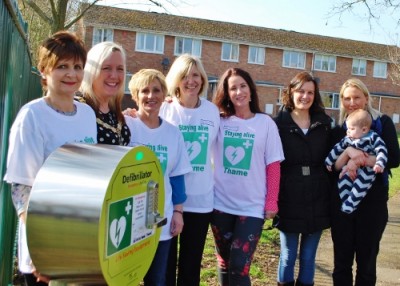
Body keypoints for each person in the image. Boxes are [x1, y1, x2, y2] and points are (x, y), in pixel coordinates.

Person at [3, 31, 97, 286]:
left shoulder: (87, 114)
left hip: (80, 241)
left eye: (78, 67)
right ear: (44, 71)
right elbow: (22, 188)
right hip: (46, 248)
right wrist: (41, 249)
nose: (72, 74)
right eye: (62, 66)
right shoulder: (32, 116)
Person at [212, 67, 284, 285]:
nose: (238, 92)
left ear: (251, 91)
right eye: (233, 88)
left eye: (243, 86)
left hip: (252, 207)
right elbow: (190, 119)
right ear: (227, 93)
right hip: (220, 204)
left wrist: (271, 201)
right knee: (224, 263)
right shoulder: (218, 121)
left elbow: (273, 164)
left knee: (239, 266)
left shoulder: (265, 123)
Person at [330, 78, 400, 286]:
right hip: (342, 205)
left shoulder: (382, 124)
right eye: (347, 98)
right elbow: (332, 167)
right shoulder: (339, 129)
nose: (352, 103)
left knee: (366, 264)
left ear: (366, 98)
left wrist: (359, 160)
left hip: (373, 203)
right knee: (341, 263)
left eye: (357, 97)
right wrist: (348, 154)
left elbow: (394, 159)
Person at [126, 69, 192, 285]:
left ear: (164, 95)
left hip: (158, 220)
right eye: (144, 90)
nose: (150, 96)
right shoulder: (126, 126)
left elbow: (176, 176)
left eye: (156, 90)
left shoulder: (173, 133)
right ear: (135, 95)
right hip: (127, 219)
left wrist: (178, 212)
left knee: (157, 279)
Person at [161, 54, 220, 286]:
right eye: (184, 76)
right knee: (165, 265)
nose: (191, 81)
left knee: (191, 265)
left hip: (200, 200)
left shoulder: (212, 111)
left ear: (203, 79)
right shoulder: (165, 110)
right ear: (176, 80)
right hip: (168, 199)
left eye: (196, 75)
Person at [273, 71, 332, 286]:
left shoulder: (324, 123)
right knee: (288, 256)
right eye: (300, 91)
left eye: (310, 92)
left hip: (318, 196)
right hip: (288, 196)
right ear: (291, 92)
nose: (305, 96)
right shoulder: (277, 124)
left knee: (308, 257)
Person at [325, 108, 387, 214]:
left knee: (361, 184)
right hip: (348, 170)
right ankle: (346, 200)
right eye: (347, 128)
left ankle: (351, 203)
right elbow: (337, 149)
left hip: (367, 169)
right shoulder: (348, 138)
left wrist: (379, 163)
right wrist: (328, 161)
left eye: (351, 128)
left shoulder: (373, 137)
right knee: (343, 181)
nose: (347, 131)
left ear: (364, 129)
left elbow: (382, 150)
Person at [79, 41, 131, 145]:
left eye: (120, 69)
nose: (114, 76)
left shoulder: (114, 112)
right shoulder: (77, 108)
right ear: (92, 71)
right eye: (107, 68)